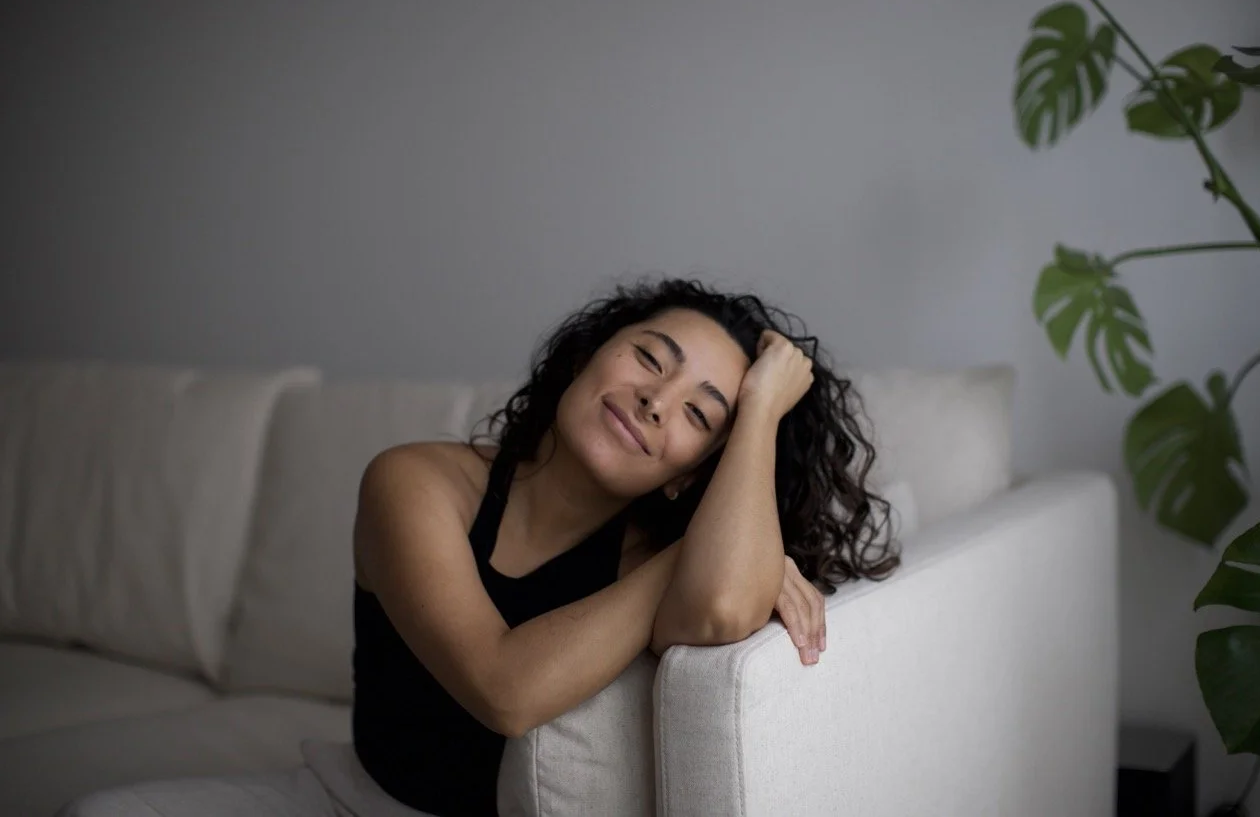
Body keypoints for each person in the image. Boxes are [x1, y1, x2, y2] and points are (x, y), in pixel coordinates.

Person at [61, 277, 899, 817]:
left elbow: (722, 605)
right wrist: (702, 553)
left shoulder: (650, 545)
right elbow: (503, 688)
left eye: (699, 413)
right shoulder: (414, 483)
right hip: (356, 799)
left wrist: (759, 412)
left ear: (693, 475)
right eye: (650, 357)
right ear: (588, 355)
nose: (653, 400)